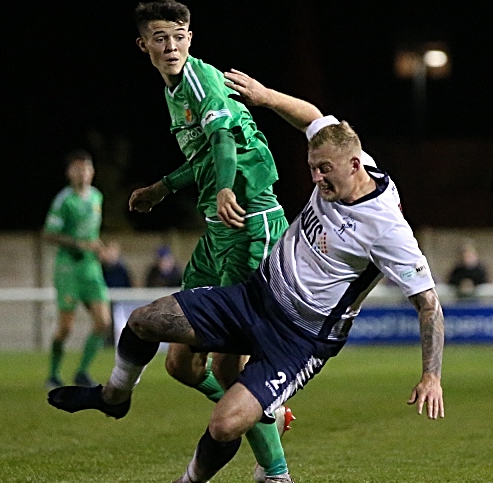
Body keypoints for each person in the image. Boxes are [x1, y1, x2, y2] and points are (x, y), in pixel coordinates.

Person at [48, 87, 445, 483]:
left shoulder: (387, 229)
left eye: (325, 169)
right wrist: (266, 97)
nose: (317, 177)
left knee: (225, 424)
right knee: (144, 320)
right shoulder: (347, 154)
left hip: (298, 339)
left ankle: (217, 476)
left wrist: (431, 375)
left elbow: (428, 303)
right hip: (255, 297)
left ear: (355, 165)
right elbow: (312, 116)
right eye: (313, 167)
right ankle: (114, 396)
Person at [125, 2, 292, 481]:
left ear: (191, 38)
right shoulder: (174, 92)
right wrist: (163, 187)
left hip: (249, 224)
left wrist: (223, 185)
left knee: (228, 363)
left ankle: (275, 471)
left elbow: (220, 143)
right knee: (180, 364)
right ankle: (263, 414)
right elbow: (202, 154)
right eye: (160, 38)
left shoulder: (200, 81)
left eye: (178, 36)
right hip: (216, 230)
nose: (170, 46)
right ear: (145, 46)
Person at [43, 149, 111, 390]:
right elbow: (49, 234)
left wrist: (101, 248)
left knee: (103, 322)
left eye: (86, 168)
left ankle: (82, 372)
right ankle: (52, 374)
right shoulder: (64, 201)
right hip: (68, 269)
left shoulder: (97, 198)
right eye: (77, 168)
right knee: (65, 327)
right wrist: (79, 244)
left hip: (90, 268)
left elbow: (91, 235)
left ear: (92, 172)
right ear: (69, 172)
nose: (82, 173)